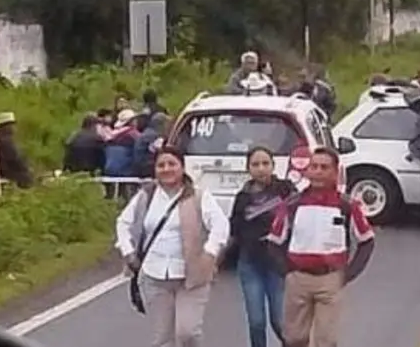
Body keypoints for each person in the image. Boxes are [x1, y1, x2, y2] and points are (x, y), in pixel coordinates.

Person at [115, 147, 230, 347]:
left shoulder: (198, 196)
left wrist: (209, 254)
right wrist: (128, 252)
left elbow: (220, 225)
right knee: (163, 338)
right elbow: (123, 223)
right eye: (161, 165)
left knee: (187, 333)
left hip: (192, 277)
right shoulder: (146, 196)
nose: (166, 169)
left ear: (182, 167)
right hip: (154, 275)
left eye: (172, 164)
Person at [266, 147, 376, 347]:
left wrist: (348, 273)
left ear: (335, 172)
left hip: (330, 279)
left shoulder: (347, 206)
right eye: (314, 166)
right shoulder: (292, 205)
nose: (317, 171)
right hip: (298, 279)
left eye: (324, 167)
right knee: (294, 338)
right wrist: (287, 272)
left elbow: (366, 240)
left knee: (327, 340)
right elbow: (274, 242)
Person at [230, 147, 298, 347]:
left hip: (277, 264)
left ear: (273, 165)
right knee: (256, 321)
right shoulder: (242, 198)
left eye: (265, 163)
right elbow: (235, 230)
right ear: (248, 169)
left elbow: (298, 219)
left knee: (280, 320)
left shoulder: (285, 190)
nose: (261, 169)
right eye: (255, 164)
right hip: (250, 264)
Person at [0, 112, 33, 188]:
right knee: (27, 177)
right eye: (11, 125)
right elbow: (15, 160)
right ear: (5, 127)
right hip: (6, 172)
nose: (14, 128)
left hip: (1, 170)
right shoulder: (5, 141)